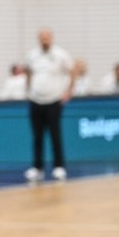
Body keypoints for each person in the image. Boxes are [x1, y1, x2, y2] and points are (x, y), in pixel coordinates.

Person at [24, 28, 76, 182]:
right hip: (35, 100)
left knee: (55, 135)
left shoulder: (61, 54)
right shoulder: (32, 55)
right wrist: (28, 90)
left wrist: (69, 92)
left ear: (52, 38)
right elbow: (28, 72)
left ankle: (59, 166)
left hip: (54, 100)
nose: (45, 40)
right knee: (37, 135)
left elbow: (73, 71)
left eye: (47, 37)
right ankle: (37, 167)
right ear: (38, 39)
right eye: (42, 37)